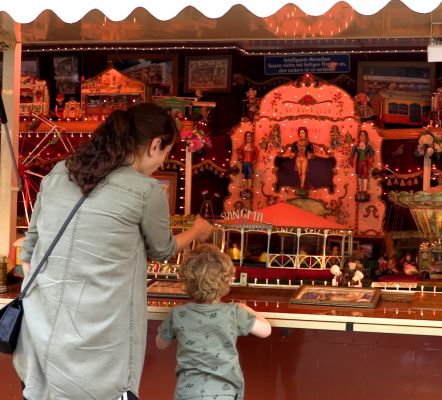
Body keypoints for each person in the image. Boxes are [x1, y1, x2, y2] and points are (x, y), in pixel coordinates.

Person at [15, 103, 213, 400]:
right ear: (154, 145)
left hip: (41, 337)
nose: (161, 162)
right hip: (99, 348)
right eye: (165, 153)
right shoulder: (146, 190)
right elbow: (163, 250)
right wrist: (197, 231)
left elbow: (29, 251)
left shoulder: (58, 172)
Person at [156, 244, 271, 400]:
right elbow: (266, 330)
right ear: (227, 281)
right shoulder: (234, 312)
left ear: (185, 282)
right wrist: (247, 309)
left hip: (188, 393)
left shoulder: (178, 314)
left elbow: (160, 344)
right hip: (225, 393)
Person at [349, 130, 375, 195]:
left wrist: (371, 159)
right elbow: (352, 154)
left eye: (364, 135)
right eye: (361, 135)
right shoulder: (355, 146)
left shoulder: (368, 147)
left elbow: (372, 154)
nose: (362, 136)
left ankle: (365, 190)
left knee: (365, 176)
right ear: (359, 137)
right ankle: (360, 189)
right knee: (360, 176)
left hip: (365, 163)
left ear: (366, 137)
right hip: (359, 163)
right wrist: (351, 159)